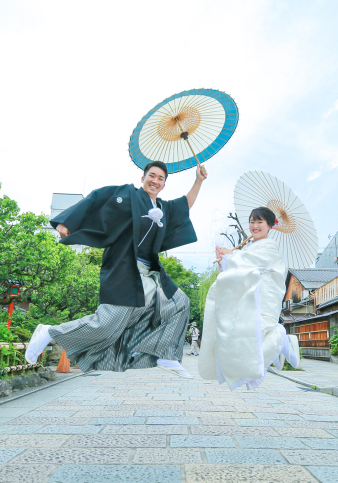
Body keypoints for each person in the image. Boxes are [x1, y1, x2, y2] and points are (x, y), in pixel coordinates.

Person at [25, 161, 207, 378]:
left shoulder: (163, 208)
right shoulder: (127, 195)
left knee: (180, 303)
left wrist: (199, 180)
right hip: (125, 269)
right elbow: (96, 198)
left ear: (164, 185)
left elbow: (184, 205)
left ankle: (166, 354)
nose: (155, 181)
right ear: (143, 178)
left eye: (160, 178)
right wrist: (67, 222)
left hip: (150, 273)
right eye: (152, 175)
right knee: (106, 325)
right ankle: (49, 331)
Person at [198, 206, 299, 390]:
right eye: (252, 221)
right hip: (247, 298)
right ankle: (250, 367)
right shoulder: (248, 246)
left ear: (270, 225)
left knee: (254, 334)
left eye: (260, 222)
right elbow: (238, 268)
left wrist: (231, 255)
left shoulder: (269, 246)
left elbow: (251, 262)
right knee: (240, 336)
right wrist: (224, 260)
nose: (255, 226)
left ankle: (279, 338)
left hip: (263, 298)